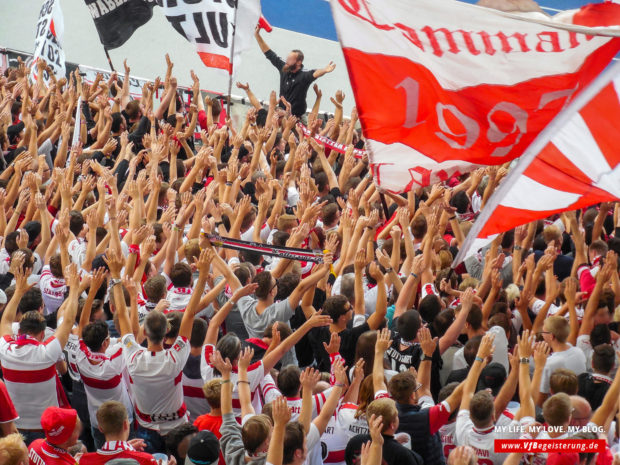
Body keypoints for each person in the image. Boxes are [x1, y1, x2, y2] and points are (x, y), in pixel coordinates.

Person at [0, 260, 79, 445]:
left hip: (15, 427)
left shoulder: (6, 350)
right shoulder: (46, 353)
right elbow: (67, 322)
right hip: (46, 428)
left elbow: (5, 321)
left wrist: (18, 291)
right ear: (43, 334)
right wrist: (74, 289)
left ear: (18, 332)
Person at [255, 27, 336, 117]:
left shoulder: (304, 75)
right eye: (287, 58)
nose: (287, 61)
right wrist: (257, 35)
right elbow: (269, 53)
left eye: (290, 59)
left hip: (296, 118)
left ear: (298, 62)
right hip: (281, 114)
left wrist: (325, 70)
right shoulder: (284, 67)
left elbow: (315, 73)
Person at [78, 401, 161, 465]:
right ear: (125, 424)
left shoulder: (83, 460)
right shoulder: (147, 460)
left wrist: (125, 449)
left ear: (100, 428)